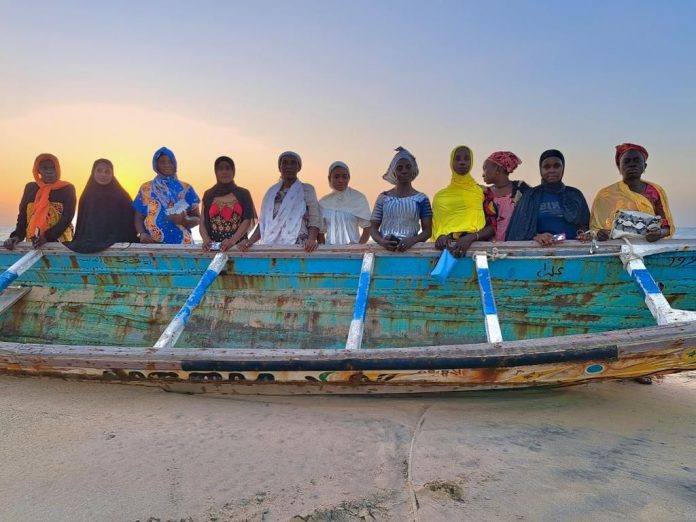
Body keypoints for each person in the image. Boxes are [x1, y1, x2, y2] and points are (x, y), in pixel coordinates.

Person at [238, 151, 320, 252]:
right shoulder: (271, 192)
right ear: (279, 167)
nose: (289, 166)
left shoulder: (307, 189)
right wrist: (249, 241)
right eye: (285, 162)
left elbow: (314, 218)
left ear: (299, 167)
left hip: (300, 246)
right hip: (271, 247)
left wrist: (311, 239)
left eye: (293, 163)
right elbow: (263, 223)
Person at [590, 143, 674, 242]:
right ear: (619, 166)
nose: (632, 164)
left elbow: (667, 227)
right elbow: (594, 229)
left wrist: (659, 233)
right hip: (616, 251)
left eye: (637, 160)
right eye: (626, 161)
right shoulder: (605, 194)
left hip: (650, 249)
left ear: (645, 166)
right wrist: (599, 234)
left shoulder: (655, 191)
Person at [506, 149, 590, 246]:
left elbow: (585, 225)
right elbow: (518, 231)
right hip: (539, 252)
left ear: (563, 168)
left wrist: (583, 235)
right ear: (540, 170)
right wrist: (536, 236)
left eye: (556, 166)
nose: (552, 170)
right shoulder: (530, 196)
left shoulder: (575, 194)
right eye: (546, 167)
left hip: (574, 252)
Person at [432, 145, 494, 258]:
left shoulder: (482, 192)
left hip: (479, 251)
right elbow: (436, 227)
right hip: (447, 252)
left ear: (471, 162)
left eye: (466, 158)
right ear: (451, 162)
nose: (462, 162)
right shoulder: (440, 197)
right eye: (457, 159)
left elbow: (492, 226)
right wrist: (440, 237)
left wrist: (470, 238)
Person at [4, 153, 76, 250]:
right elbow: (23, 217)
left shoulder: (67, 188)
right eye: (45, 168)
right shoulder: (30, 188)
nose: (49, 172)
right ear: (38, 170)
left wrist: (47, 237)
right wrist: (16, 236)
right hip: (35, 243)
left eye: (53, 168)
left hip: (62, 245)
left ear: (58, 169)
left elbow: (67, 218)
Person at [65, 159, 137, 253]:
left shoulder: (122, 196)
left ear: (112, 174)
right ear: (93, 172)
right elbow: (82, 225)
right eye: (99, 170)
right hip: (89, 243)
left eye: (107, 172)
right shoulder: (87, 196)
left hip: (118, 246)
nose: (103, 174)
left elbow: (129, 226)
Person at [133, 147, 200, 244]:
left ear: (175, 164)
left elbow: (198, 218)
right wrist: (142, 234)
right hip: (152, 246)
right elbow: (138, 217)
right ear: (155, 165)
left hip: (182, 247)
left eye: (170, 161)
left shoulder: (186, 189)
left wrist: (184, 221)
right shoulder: (146, 188)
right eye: (162, 162)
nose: (167, 165)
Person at [371, 147, 432, 252]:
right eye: (399, 168)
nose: (404, 171)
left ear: (413, 171)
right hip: (384, 252)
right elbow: (372, 228)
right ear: (394, 173)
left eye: (408, 167)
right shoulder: (383, 197)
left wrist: (412, 241)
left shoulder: (422, 199)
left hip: (411, 252)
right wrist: (382, 242)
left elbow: (427, 231)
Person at [200, 156, 256, 251]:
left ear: (233, 171)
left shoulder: (243, 193)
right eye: (220, 169)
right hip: (214, 247)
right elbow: (202, 222)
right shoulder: (209, 194)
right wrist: (205, 240)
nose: (224, 172)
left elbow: (247, 220)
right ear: (216, 172)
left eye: (228, 168)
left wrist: (232, 241)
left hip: (238, 247)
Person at [481, 151, 530, 242]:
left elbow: (532, 216)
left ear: (498, 169)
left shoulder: (522, 189)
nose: (483, 174)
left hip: (516, 248)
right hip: (488, 250)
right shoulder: (484, 193)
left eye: (485, 169)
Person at [318, 161, 371, 245]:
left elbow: (367, 227)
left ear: (349, 178)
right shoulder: (323, 202)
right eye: (336, 177)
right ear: (329, 178)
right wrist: (324, 250)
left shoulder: (358, 198)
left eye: (344, 177)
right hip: (330, 253)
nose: (340, 180)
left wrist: (358, 247)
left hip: (353, 253)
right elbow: (320, 232)